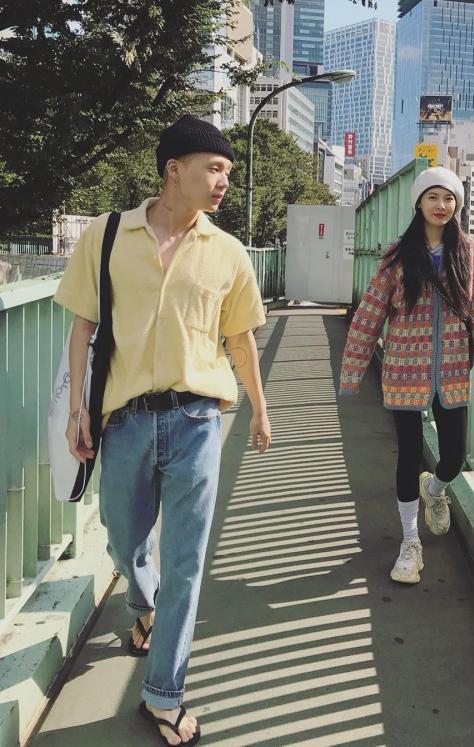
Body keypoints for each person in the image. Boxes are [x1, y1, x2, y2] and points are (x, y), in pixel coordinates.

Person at [54, 115, 271, 745]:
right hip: (123, 420)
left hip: (198, 420)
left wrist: (260, 408)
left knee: (186, 563)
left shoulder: (227, 252)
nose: (224, 180)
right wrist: (78, 410)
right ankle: (143, 605)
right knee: (125, 543)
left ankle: (163, 694)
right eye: (214, 167)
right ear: (174, 169)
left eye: (228, 170)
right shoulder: (107, 235)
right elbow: (83, 328)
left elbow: (240, 338)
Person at [339, 166, 474, 585]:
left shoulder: (468, 251)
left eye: (448, 199)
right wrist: (353, 368)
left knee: (454, 457)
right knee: (408, 455)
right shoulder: (397, 254)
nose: (441, 205)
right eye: (433, 197)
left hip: (452, 371)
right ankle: (410, 542)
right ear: (418, 203)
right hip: (403, 369)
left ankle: (435, 490)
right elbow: (371, 310)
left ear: (457, 205)